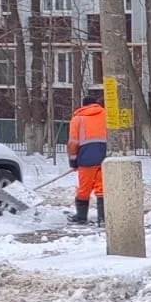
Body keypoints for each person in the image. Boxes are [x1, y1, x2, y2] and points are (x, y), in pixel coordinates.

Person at [67, 91, 108, 225]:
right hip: (104, 157)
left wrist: (73, 161)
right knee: (102, 188)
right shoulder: (106, 114)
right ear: (96, 104)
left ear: (83, 106)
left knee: (84, 189)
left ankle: (81, 216)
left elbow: (73, 142)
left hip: (86, 158)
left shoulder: (77, 119)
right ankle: (103, 218)